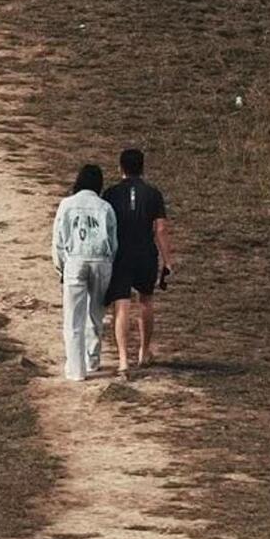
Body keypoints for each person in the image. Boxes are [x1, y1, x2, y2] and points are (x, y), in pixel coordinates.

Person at [104, 146, 172, 376]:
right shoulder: (153, 194)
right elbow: (161, 229)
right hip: (146, 253)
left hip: (121, 255)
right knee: (146, 301)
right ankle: (144, 351)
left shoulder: (111, 193)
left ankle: (123, 359)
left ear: (120, 168)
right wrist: (167, 260)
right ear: (143, 167)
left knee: (121, 304)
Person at [51, 164, 117, 383]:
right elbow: (113, 241)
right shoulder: (105, 207)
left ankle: (76, 369)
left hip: (76, 260)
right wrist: (109, 263)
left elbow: (59, 240)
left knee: (73, 317)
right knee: (95, 312)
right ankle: (93, 359)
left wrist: (60, 267)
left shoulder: (67, 205)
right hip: (100, 261)